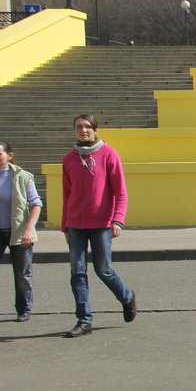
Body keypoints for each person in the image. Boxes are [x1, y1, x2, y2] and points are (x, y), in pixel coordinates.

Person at [61, 115, 137, 338]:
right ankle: (84, 320)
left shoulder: (108, 154)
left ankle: (126, 297)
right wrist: (65, 224)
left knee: (103, 269)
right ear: (74, 131)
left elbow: (120, 191)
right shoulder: (69, 159)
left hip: (101, 222)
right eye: (78, 127)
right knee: (77, 271)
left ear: (95, 130)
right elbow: (67, 195)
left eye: (87, 127)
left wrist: (117, 220)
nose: (83, 130)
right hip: (75, 223)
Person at [0, 141, 42, 323]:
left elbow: (36, 204)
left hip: (18, 231)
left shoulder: (22, 176)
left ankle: (24, 308)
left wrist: (29, 229)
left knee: (22, 274)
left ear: (10, 155)